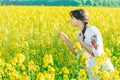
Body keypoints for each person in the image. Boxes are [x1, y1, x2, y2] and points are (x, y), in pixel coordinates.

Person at [59, 9, 114, 80]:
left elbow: (96, 53)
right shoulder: (80, 33)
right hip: (93, 70)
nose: (70, 20)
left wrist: (81, 42)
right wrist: (66, 39)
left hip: (103, 70)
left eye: (72, 18)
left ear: (79, 20)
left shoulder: (92, 30)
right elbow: (77, 52)